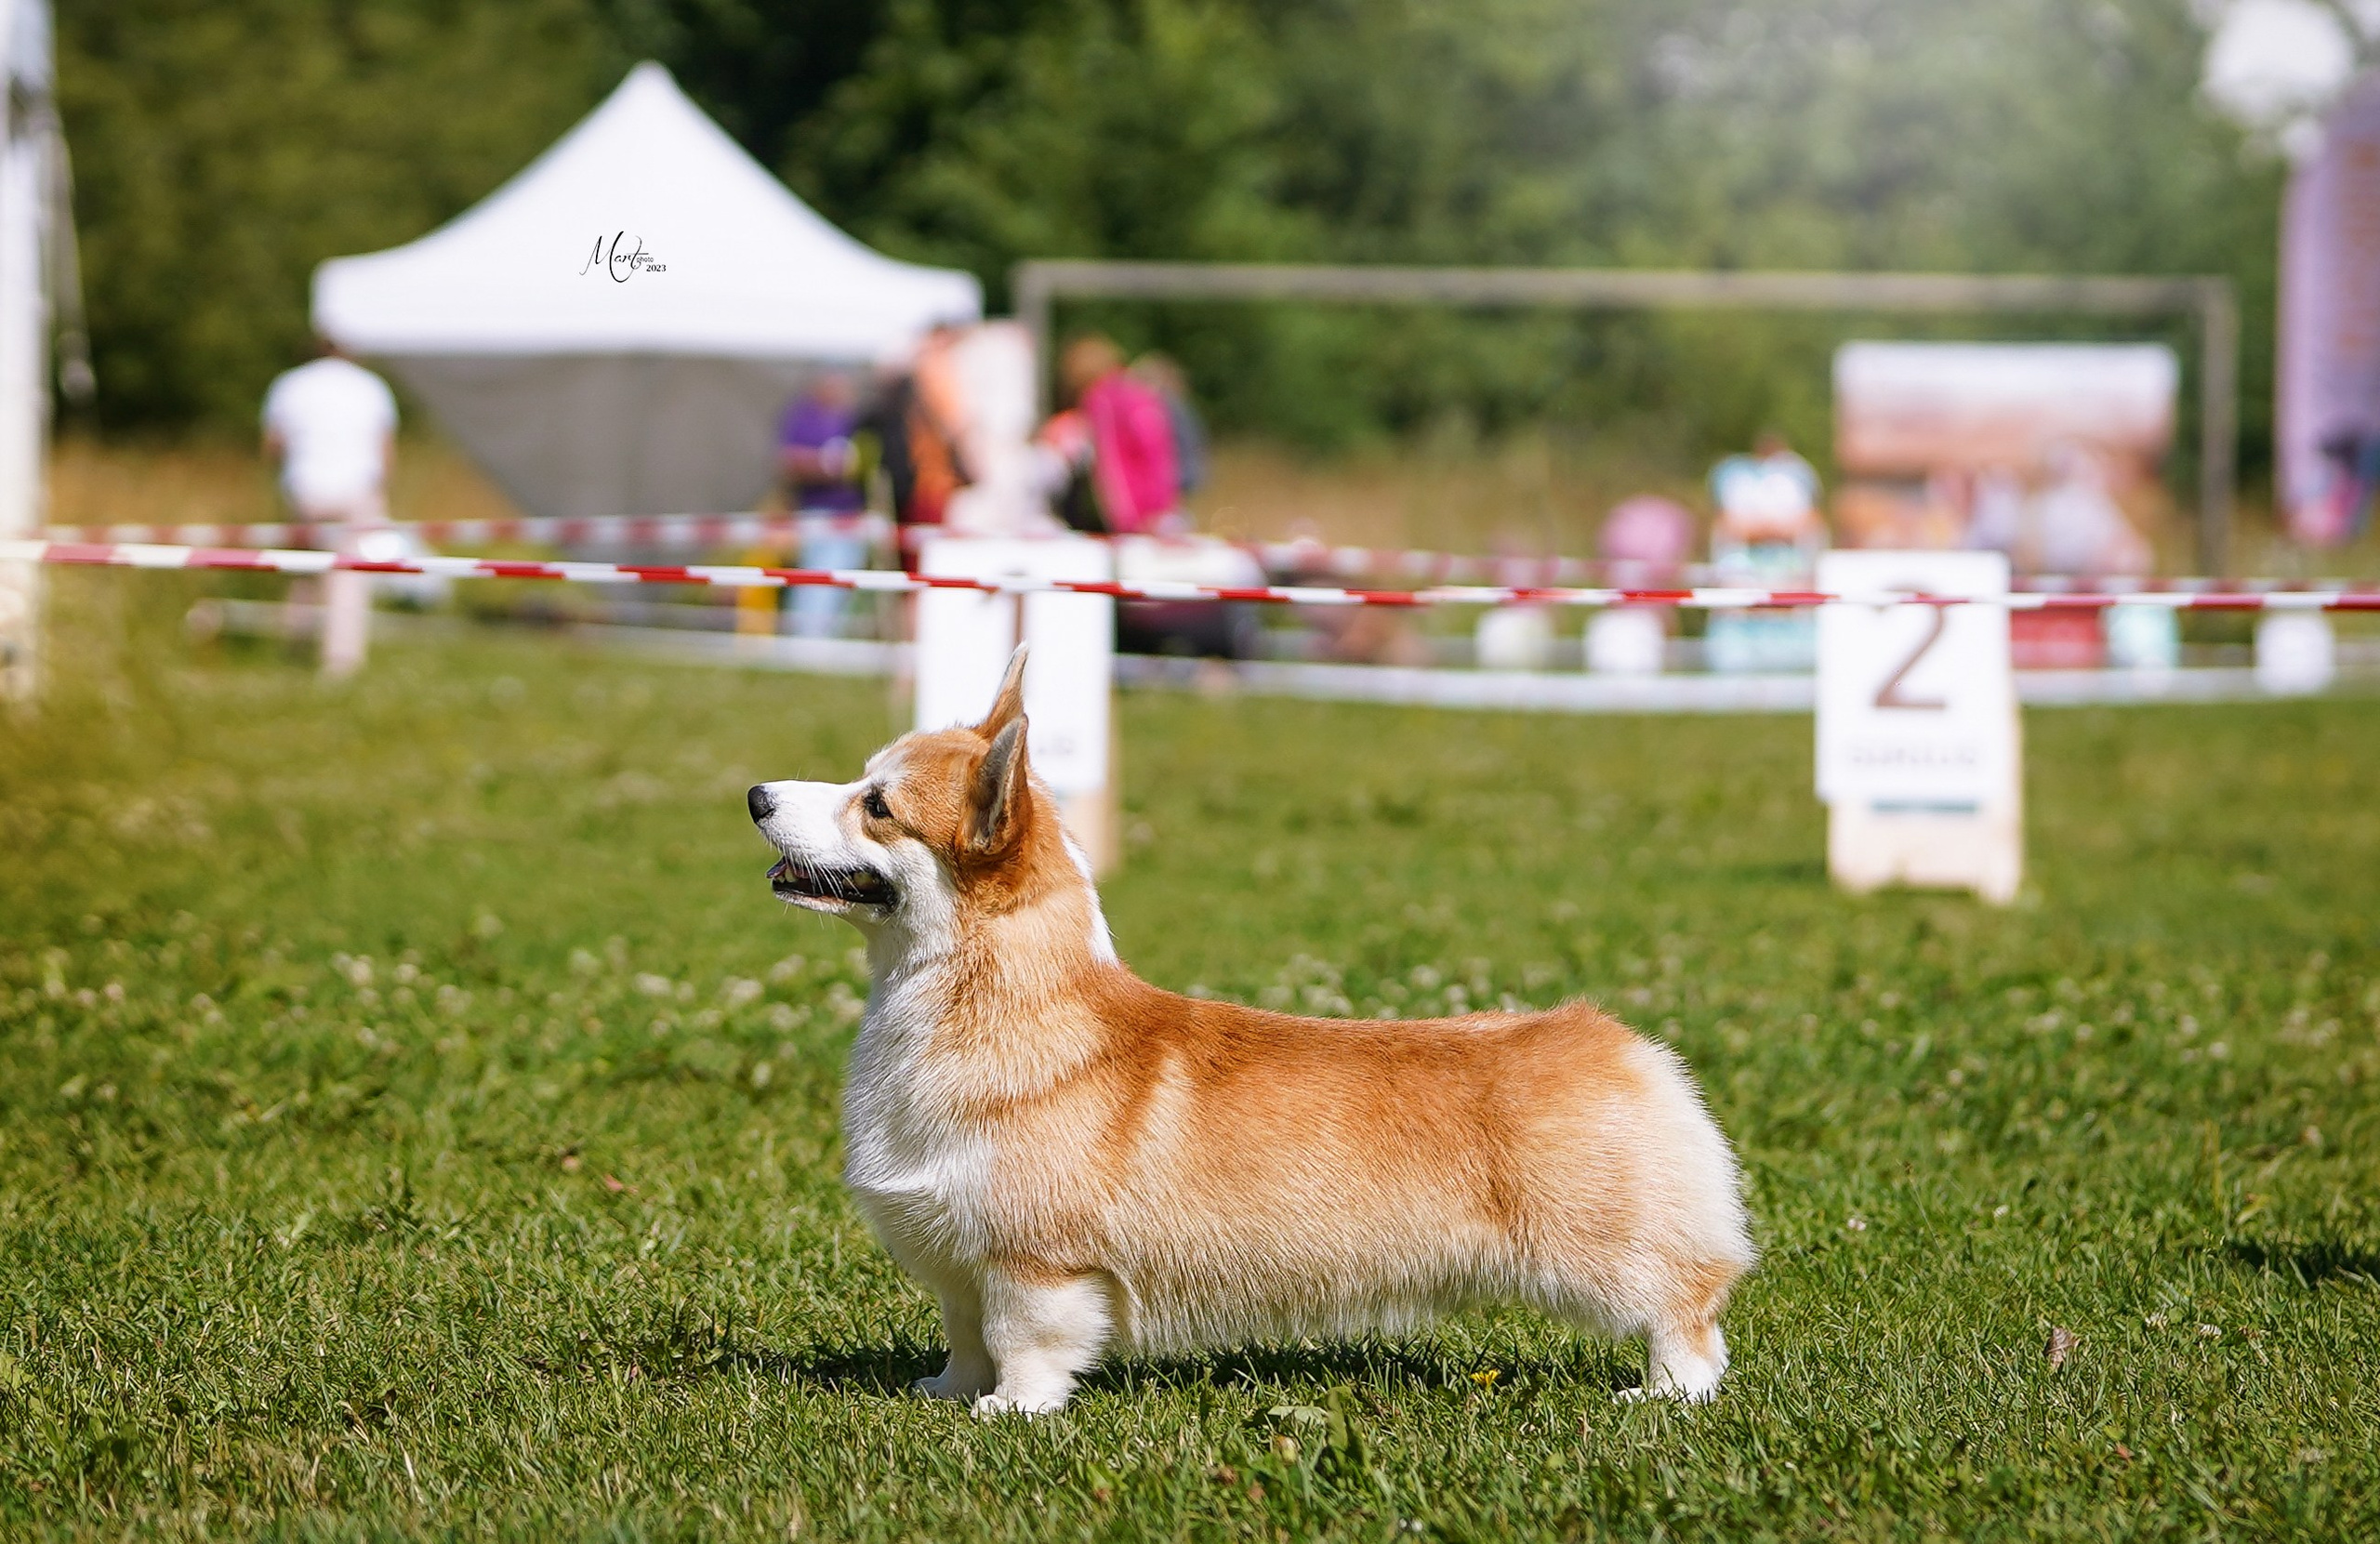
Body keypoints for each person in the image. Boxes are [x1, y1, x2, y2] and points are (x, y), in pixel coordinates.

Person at [261, 338, 398, 678]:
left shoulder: (291, 383)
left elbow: (273, 444)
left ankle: (296, 645)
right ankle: (339, 662)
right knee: (348, 578)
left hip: (305, 488)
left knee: (302, 570)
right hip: (355, 489)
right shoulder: (370, 387)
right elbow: (385, 449)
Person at [1704, 432, 1827, 674]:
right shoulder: (1736, 477)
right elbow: (1729, 527)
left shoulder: (1796, 476)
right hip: (1746, 605)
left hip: (1789, 604)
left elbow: (1810, 527)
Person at [1048, 335, 1182, 535]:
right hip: (1159, 501)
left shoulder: (1102, 399)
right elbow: (1157, 452)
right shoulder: (1136, 391)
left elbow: (1111, 460)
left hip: (1132, 508)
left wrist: (1124, 513)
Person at [777, 372, 871, 638]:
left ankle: (826, 641)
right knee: (814, 581)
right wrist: (826, 465)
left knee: (841, 583)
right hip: (816, 512)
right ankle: (806, 641)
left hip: (850, 515)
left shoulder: (852, 419)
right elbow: (788, 461)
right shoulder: (803, 416)